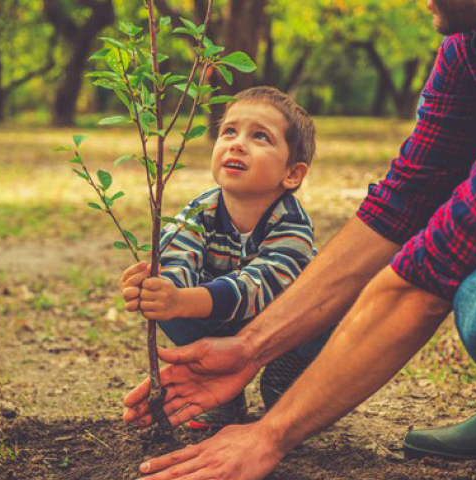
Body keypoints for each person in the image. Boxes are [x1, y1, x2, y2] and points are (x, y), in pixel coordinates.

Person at [121, 0, 476, 480]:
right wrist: (249, 348)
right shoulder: (471, 47)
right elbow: (400, 206)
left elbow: (428, 280)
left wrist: (270, 434)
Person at [120, 86, 333, 429]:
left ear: (292, 173)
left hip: (284, 325)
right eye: (229, 132)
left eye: (260, 137)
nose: (237, 143)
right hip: (220, 318)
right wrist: (160, 289)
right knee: (172, 309)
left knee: (327, 313)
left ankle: (290, 376)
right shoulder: (201, 210)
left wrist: (187, 299)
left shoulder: (291, 222)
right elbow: (178, 255)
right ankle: (224, 395)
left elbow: (261, 285)